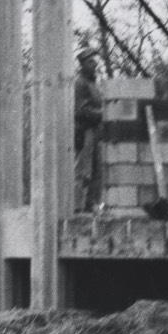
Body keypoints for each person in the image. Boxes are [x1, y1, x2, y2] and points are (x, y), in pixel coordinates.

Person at [73, 47, 105, 211]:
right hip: (85, 131)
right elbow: (81, 110)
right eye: (91, 62)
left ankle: (90, 204)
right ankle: (77, 206)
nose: (95, 64)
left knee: (96, 170)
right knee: (83, 170)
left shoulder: (93, 83)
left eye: (95, 61)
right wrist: (103, 113)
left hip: (95, 130)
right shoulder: (80, 83)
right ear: (83, 64)